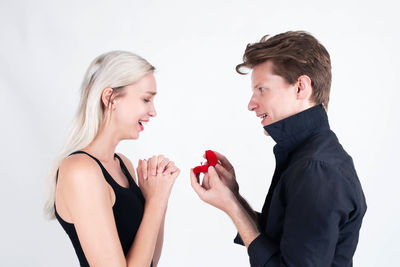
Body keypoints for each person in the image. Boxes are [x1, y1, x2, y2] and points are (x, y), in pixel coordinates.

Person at [190, 31, 367, 266]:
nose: (251, 104)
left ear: (301, 88)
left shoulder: (316, 169)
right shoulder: (307, 158)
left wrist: (232, 207)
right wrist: (233, 197)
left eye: (261, 89)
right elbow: (284, 238)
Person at [44, 51, 180, 267]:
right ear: (110, 98)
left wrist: (157, 197)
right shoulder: (80, 171)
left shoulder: (123, 164)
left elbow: (150, 261)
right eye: (146, 99)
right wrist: (155, 201)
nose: (153, 111)